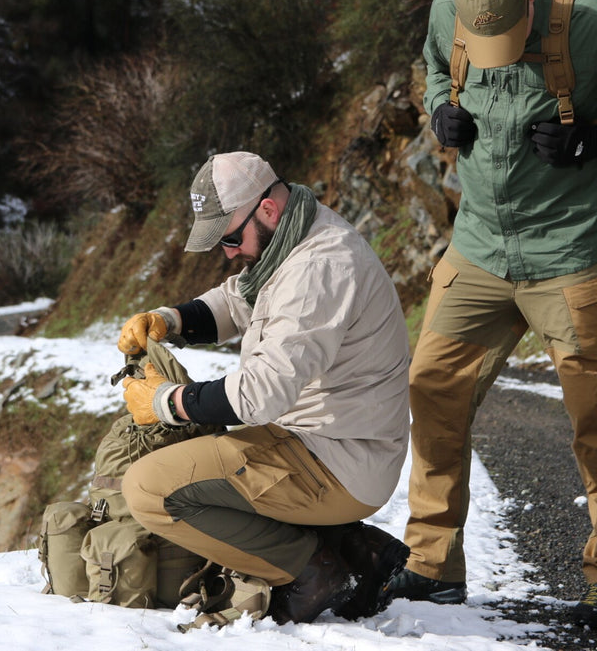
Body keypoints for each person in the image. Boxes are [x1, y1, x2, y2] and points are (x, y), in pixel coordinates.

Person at [392, 0, 597, 629]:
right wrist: (442, 110)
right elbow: (437, 69)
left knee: (595, 417)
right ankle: (432, 565)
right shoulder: (448, 8)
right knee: (432, 387)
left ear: (531, 2)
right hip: (480, 249)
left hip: (570, 254)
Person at [117, 151, 412, 624]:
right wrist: (169, 320)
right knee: (192, 463)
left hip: (336, 460)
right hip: (318, 442)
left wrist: (164, 403)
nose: (229, 253)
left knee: (149, 488)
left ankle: (312, 571)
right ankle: (352, 548)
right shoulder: (293, 236)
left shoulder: (319, 268)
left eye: (231, 239)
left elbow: (259, 395)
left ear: (267, 210)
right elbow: (238, 300)